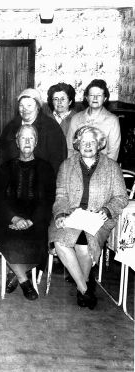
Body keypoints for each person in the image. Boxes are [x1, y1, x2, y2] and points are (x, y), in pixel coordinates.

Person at [50, 126, 128, 309]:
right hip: (71, 215)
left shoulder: (111, 167)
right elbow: (61, 195)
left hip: (98, 218)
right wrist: (61, 213)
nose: (87, 145)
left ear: (99, 144)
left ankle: (82, 283)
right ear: (77, 144)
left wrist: (107, 210)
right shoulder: (67, 165)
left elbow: (121, 197)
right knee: (60, 242)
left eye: (92, 142)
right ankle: (84, 288)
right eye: (83, 142)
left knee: (84, 247)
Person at [0, 125, 56, 300]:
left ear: (36, 142)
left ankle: (16, 274)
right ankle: (24, 280)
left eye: (31, 138)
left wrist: (31, 221)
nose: (27, 142)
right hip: (8, 219)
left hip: (36, 220)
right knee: (10, 239)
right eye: (23, 138)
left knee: (38, 240)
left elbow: (48, 201)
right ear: (17, 143)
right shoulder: (5, 167)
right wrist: (15, 218)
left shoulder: (46, 168)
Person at [0, 88, 66, 175]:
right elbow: (2, 158)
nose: (24, 109)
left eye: (29, 105)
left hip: (42, 179)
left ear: (37, 107)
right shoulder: (10, 128)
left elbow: (58, 161)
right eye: (21, 106)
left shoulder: (51, 128)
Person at [67, 79, 121, 161]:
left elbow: (113, 152)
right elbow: (70, 148)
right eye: (92, 95)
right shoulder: (76, 118)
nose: (95, 98)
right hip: (78, 165)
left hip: (103, 167)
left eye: (99, 95)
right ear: (87, 97)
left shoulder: (112, 121)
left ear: (105, 98)